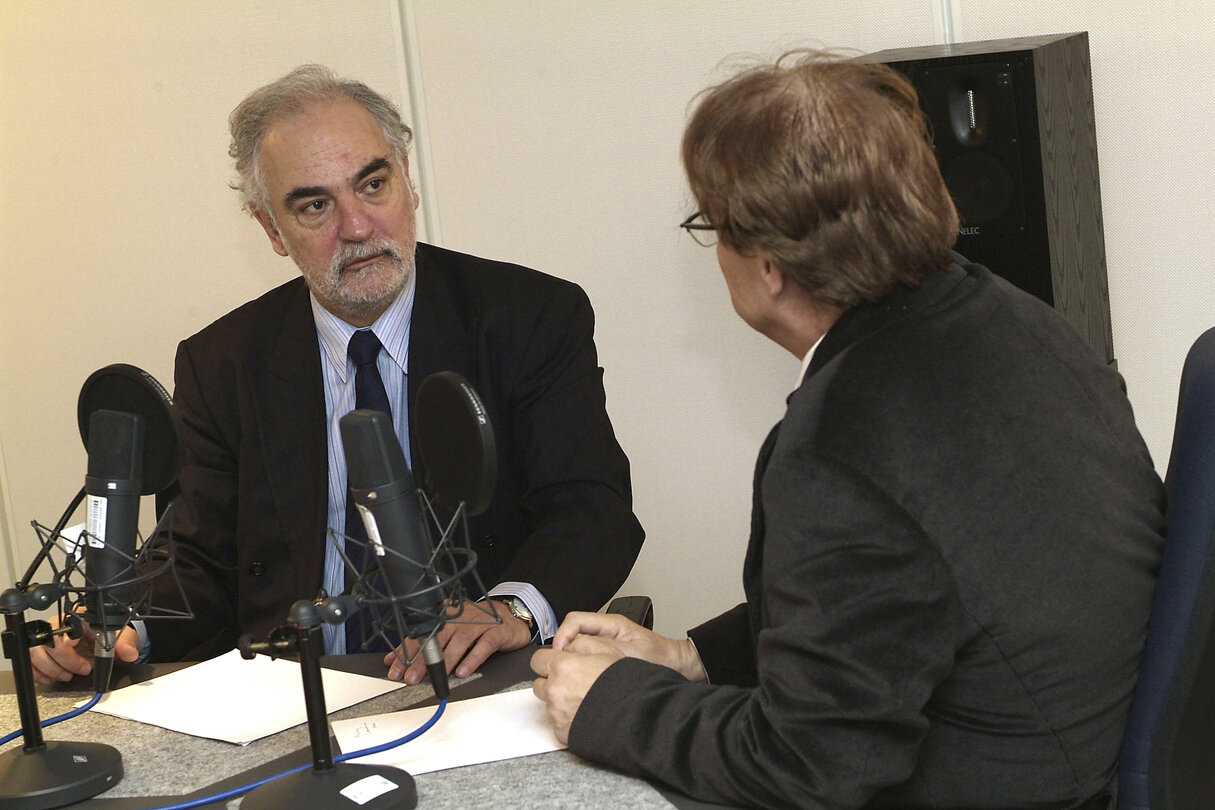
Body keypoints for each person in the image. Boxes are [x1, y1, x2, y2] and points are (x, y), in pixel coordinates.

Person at [531, 51, 1166, 809]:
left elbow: (811, 766)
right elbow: (894, 592)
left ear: (766, 265)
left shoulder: (841, 448)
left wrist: (613, 707)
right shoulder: (1014, 321)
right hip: (1077, 755)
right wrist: (690, 656)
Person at [31, 64, 643, 687]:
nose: (356, 228)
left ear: (408, 178)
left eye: (373, 184)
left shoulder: (528, 317)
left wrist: (510, 609)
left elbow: (592, 510)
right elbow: (196, 560)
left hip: (474, 683)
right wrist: (119, 626)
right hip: (289, 696)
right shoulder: (222, 362)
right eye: (316, 205)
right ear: (271, 228)